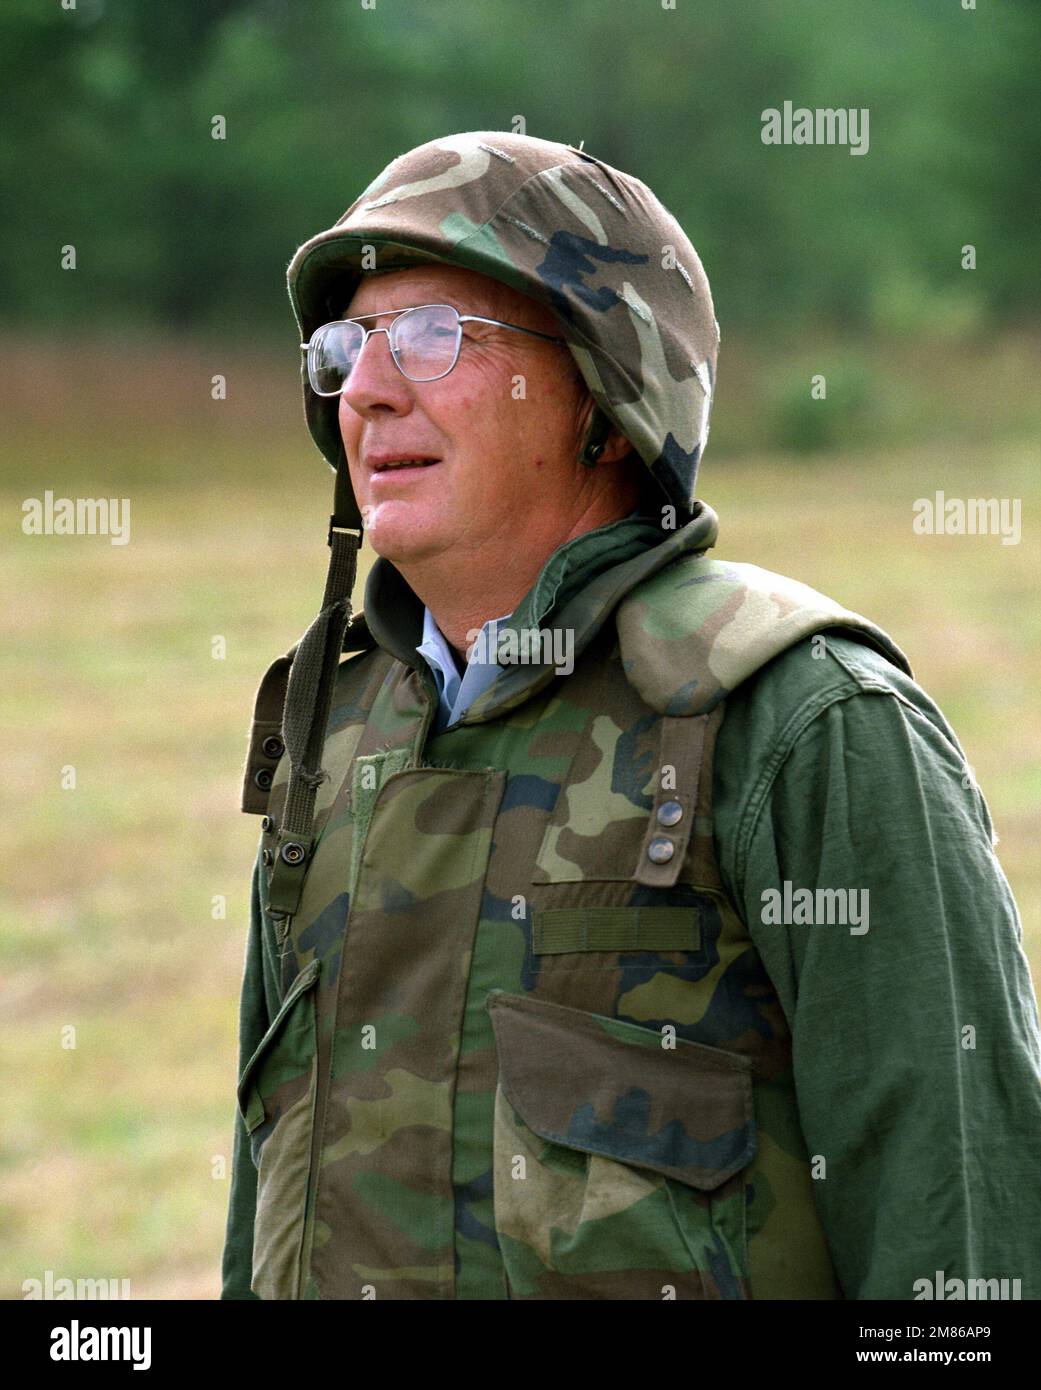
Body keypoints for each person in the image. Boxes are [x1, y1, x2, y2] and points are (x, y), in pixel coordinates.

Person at [221, 130, 1041, 1301]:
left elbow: (958, 1236)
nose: (367, 388)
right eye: (346, 348)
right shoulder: (333, 729)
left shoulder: (802, 725)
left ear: (605, 392)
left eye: (433, 338)